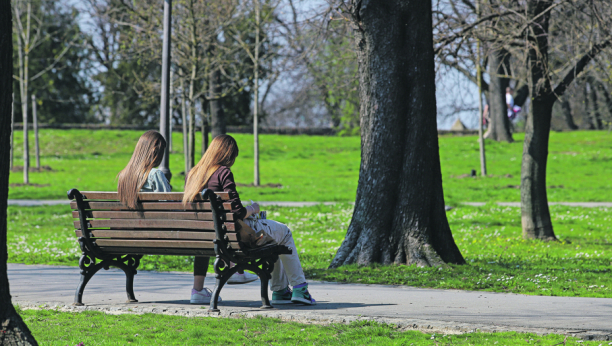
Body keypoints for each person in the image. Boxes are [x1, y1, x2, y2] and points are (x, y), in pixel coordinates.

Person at [183, 134, 316, 305]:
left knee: (275, 237)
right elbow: (237, 212)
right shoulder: (223, 172)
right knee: (284, 232)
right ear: (227, 155)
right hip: (233, 237)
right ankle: (297, 289)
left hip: (203, 236)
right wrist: (254, 209)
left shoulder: (192, 174)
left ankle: (282, 291)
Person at [117, 130, 223, 305]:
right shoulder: (155, 174)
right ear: (155, 152)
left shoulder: (123, 176)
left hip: (129, 237)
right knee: (204, 235)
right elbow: (171, 209)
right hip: (162, 236)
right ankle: (199, 290)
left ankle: (130, 291)